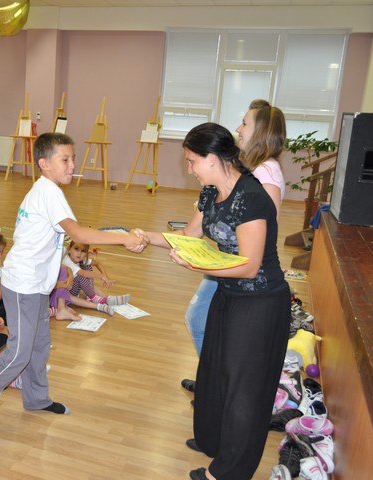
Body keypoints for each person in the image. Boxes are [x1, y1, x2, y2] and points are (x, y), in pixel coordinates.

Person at [0, 132, 147, 441]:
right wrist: (125, 238)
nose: (72, 165)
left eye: (73, 159)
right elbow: (78, 233)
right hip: (23, 285)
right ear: (44, 163)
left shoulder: (49, 190)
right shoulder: (47, 191)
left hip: (37, 286)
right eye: (65, 159)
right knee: (18, 353)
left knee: (40, 345)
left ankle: (36, 398)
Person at [145, 123, 290, 480]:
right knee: (213, 373)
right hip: (229, 294)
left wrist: (195, 264)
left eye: (192, 161)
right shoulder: (211, 193)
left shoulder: (252, 198)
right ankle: (213, 441)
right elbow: (189, 235)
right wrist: (145, 237)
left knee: (244, 391)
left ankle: (225, 473)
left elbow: (250, 266)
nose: (189, 169)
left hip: (260, 302)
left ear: (212, 158)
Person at [181, 100, 286, 392]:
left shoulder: (263, 175)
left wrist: (200, 260)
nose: (239, 129)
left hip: (244, 277)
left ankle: (213, 382)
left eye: (245, 123)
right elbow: (194, 231)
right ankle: (211, 381)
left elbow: (261, 229)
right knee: (203, 323)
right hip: (228, 267)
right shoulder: (248, 170)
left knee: (202, 322)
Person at [63, 240, 130, 306]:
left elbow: (97, 263)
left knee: (87, 266)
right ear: (69, 249)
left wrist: (106, 277)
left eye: (83, 251)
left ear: (86, 253)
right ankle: (93, 297)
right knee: (80, 277)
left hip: (74, 286)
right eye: (76, 249)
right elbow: (84, 273)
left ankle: (93, 295)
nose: (79, 253)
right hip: (68, 291)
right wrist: (101, 276)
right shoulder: (67, 261)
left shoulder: (80, 259)